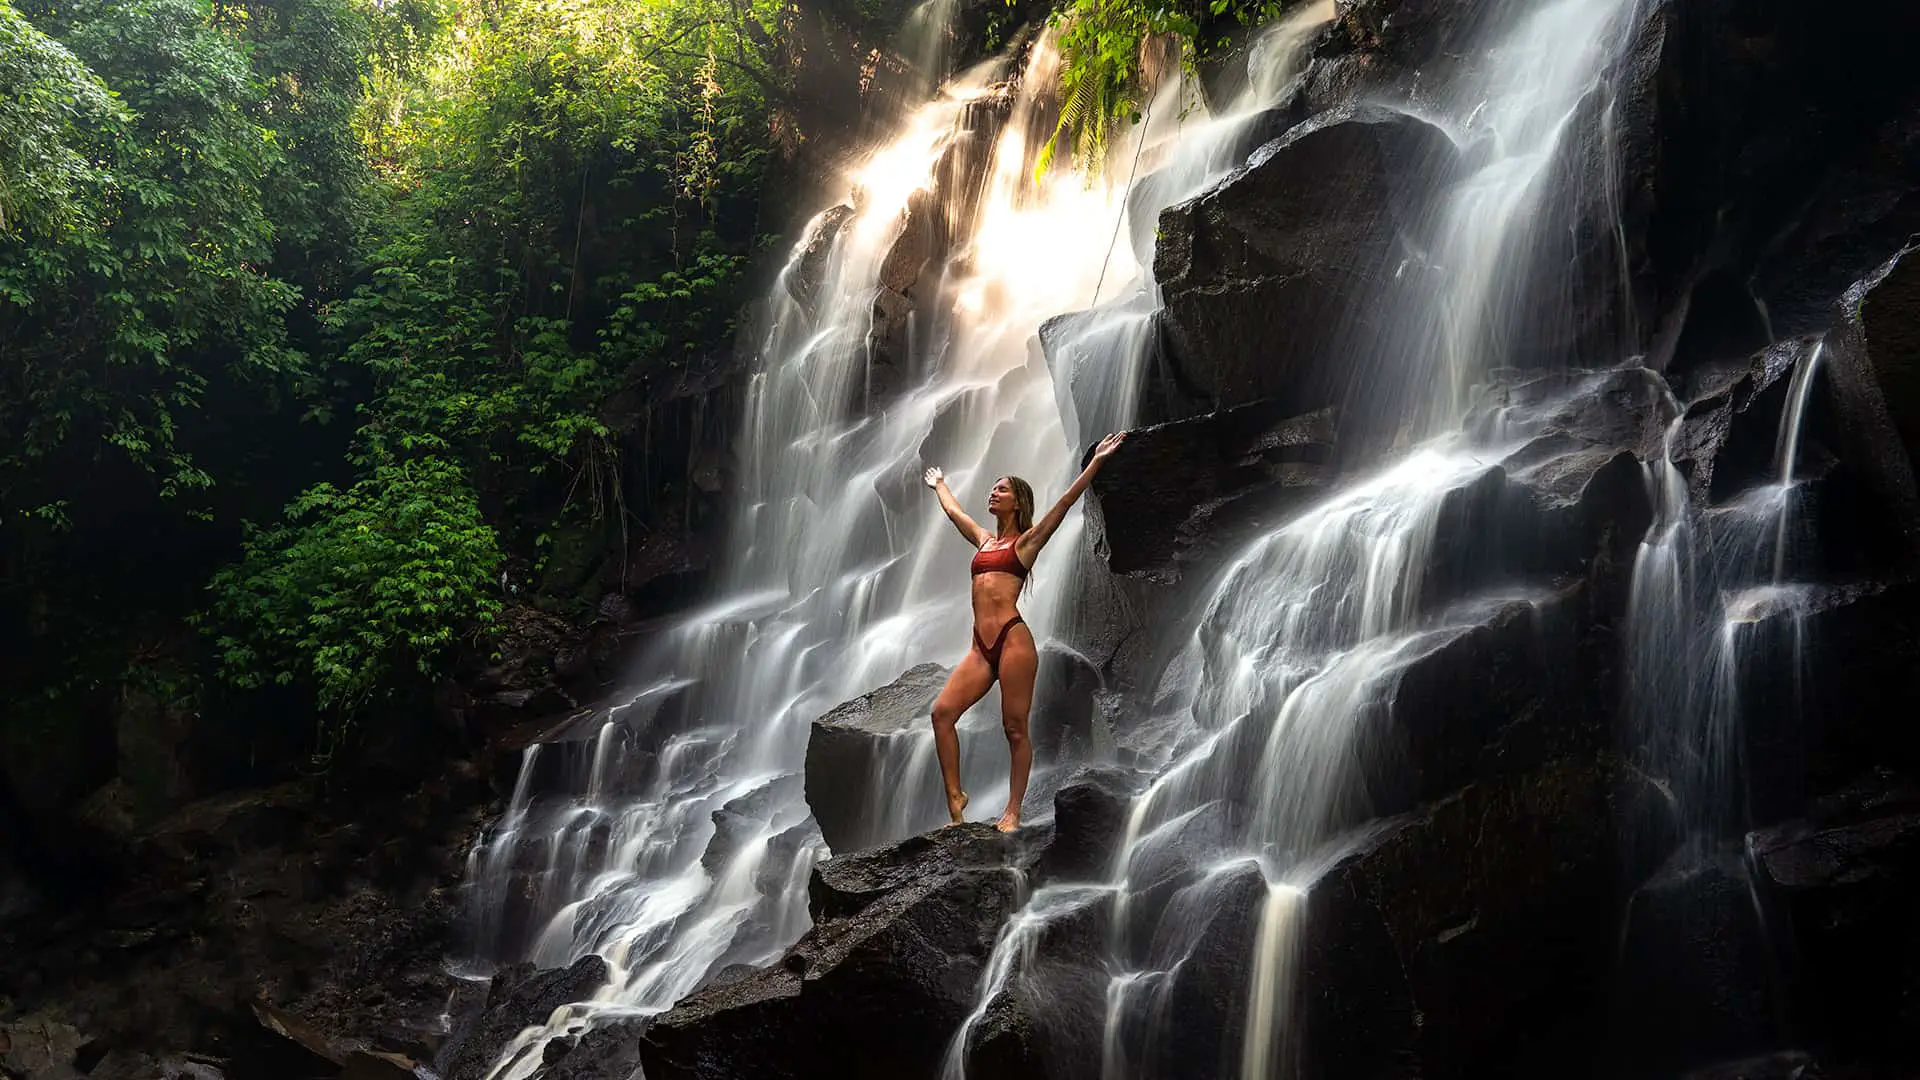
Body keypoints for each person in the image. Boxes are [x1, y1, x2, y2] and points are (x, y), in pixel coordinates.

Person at [921, 431, 1127, 832]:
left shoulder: (1027, 544)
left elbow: (1065, 503)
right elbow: (955, 514)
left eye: (1002, 489)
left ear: (1018, 501)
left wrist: (1097, 462)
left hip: (1013, 641)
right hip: (980, 648)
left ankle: (1013, 811)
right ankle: (956, 802)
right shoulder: (983, 542)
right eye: (993, 489)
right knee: (942, 713)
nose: (993, 493)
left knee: (1014, 728)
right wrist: (940, 485)